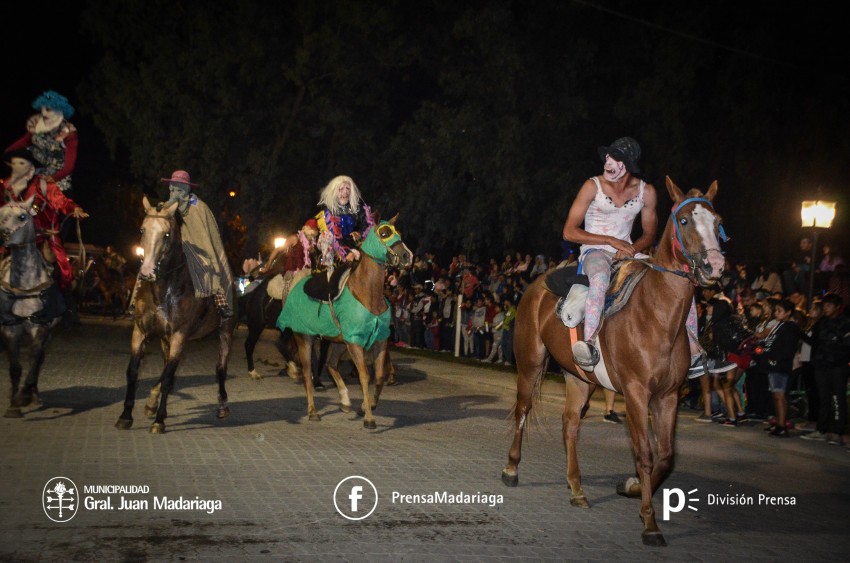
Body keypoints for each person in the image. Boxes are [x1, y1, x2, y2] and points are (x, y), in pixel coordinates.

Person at [563, 137, 726, 377]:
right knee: (599, 278)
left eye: (614, 160)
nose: (607, 164)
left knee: (682, 277)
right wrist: (610, 241)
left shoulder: (646, 192)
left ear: (627, 165)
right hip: (594, 250)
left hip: (629, 251)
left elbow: (649, 233)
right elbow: (569, 231)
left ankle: (693, 351)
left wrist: (631, 247)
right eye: (607, 158)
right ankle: (588, 344)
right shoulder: (592, 186)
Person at [1, 149, 89, 290]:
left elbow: (62, 201)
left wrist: (74, 209)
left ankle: (64, 291)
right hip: (15, 232)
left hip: (43, 233)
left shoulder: (43, 185)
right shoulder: (7, 186)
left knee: (60, 259)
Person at [158, 170, 234, 318]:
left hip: (196, 248)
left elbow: (204, 237)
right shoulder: (164, 208)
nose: (174, 193)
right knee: (149, 263)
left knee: (206, 264)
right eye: (172, 188)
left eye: (178, 189)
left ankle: (220, 301)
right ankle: (137, 303)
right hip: (171, 248)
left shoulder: (199, 207)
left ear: (186, 190)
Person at [800, 293, 850, 445]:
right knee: (823, 398)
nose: (826, 309)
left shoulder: (845, 323)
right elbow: (814, 342)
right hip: (820, 365)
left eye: (829, 306)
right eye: (825, 306)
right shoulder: (821, 323)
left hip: (837, 367)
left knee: (837, 399)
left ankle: (837, 431)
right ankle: (822, 430)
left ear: (837, 307)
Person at [5, 91, 78, 194]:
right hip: (39, 174)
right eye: (42, 109)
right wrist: (8, 152)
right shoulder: (38, 127)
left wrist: (52, 179)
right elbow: (25, 141)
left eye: (48, 110)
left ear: (58, 111)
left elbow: (69, 166)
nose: (44, 113)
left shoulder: (69, 133)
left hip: (59, 183)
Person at [755, 299, 801, 437]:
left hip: (780, 365)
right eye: (776, 310)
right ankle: (778, 422)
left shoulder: (790, 327)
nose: (776, 313)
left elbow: (787, 349)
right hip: (773, 364)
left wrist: (771, 356)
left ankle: (782, 425)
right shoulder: (780, 326)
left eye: (780, 311)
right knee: (775, 395)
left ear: (788, 313)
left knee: (779, 395)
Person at [314, 175, 373, 269]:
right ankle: (328, 268)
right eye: (341, 189)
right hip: (334, 242)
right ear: (334, 191)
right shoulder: (330, 210)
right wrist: (347, 253)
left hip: (350, 241)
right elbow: (336, 235)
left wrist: (360, 234)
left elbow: (368, 225)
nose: (345, 192)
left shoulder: (358, 207)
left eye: (348, 189)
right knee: (327, 235)